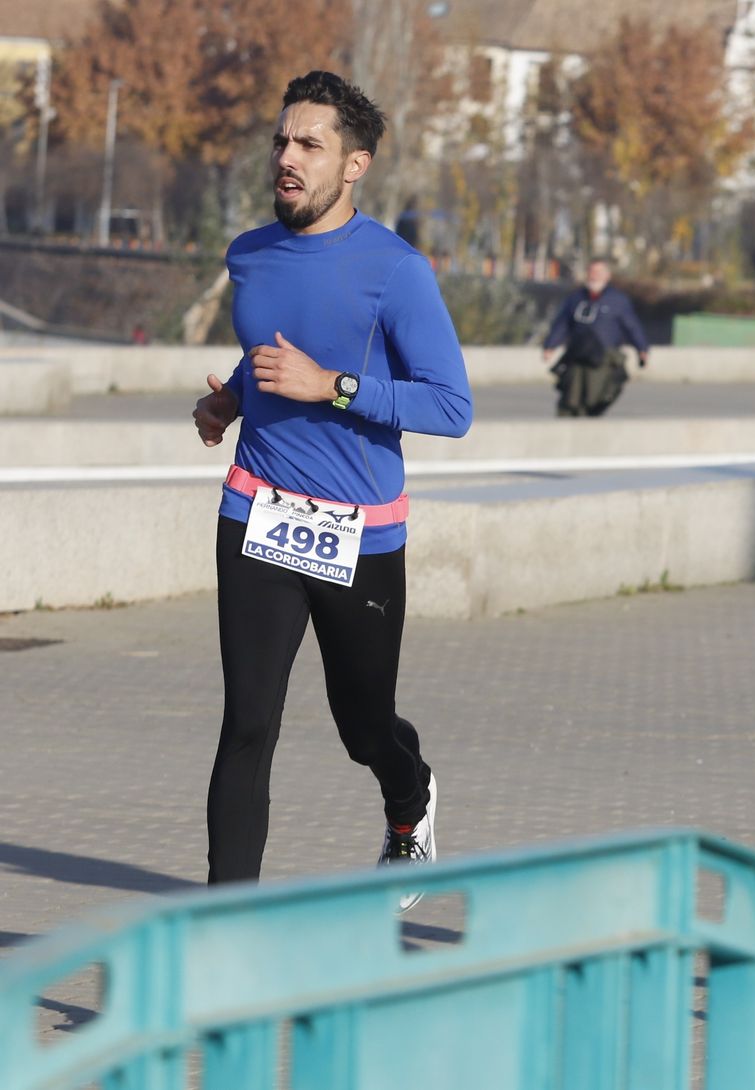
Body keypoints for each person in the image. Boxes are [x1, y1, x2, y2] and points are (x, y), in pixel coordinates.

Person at [190, 71, 472, 909]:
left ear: (355, 165)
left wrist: (335, 388)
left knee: (362, 725)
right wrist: (233, 398)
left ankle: (409, 795)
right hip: (257, 513)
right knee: (247, 726)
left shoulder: (396, 270)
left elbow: (452, 406)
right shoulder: (250, 253)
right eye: (282, 140)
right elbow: (267, 350)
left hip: (359, 533)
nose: (288, 157)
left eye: (309, 145)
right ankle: (224, 931)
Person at [541, 258, 649, 417]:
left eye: (598, 272)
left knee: (598, 398)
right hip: (577, 357)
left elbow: (632, 326)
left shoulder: (618, 300)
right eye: (591, 272)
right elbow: (562, 324)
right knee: (570, 399)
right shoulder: (576, 299)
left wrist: (642, 348)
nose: (594, 276)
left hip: (604, 358)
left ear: (607, 275)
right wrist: (550, 346)